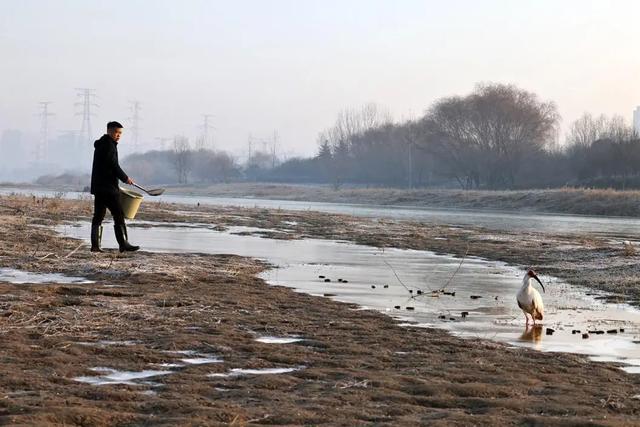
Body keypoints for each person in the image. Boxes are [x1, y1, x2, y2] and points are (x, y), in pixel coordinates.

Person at [90, 121, 140, 253]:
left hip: (99, 187)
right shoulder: (108, 145)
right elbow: (113, 165)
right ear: (109, 131)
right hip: (108, 187)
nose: (118, 135)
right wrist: (125, 178)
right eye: (116, 132)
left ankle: (95, 246)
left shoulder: (102, 144)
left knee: (99, 215)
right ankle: (123, 244)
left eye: (120, 133)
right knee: (118, 214)